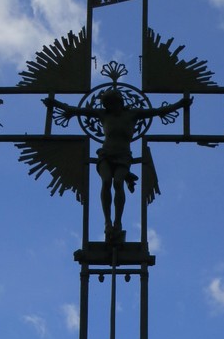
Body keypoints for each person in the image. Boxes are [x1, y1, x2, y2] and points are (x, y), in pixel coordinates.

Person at [43, 88, 192, 241]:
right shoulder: (103, 115)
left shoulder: (133, 114)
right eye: (108, 105)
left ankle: (118, 221)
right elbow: (77, 111)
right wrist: (54, 103)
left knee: (118, 183)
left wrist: (180, 104)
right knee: (107, 181)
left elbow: (158, 111)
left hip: (123, 157)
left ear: (119, 102)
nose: (111, 107)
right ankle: (107, 222)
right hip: (105, 155)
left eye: (112, 103)